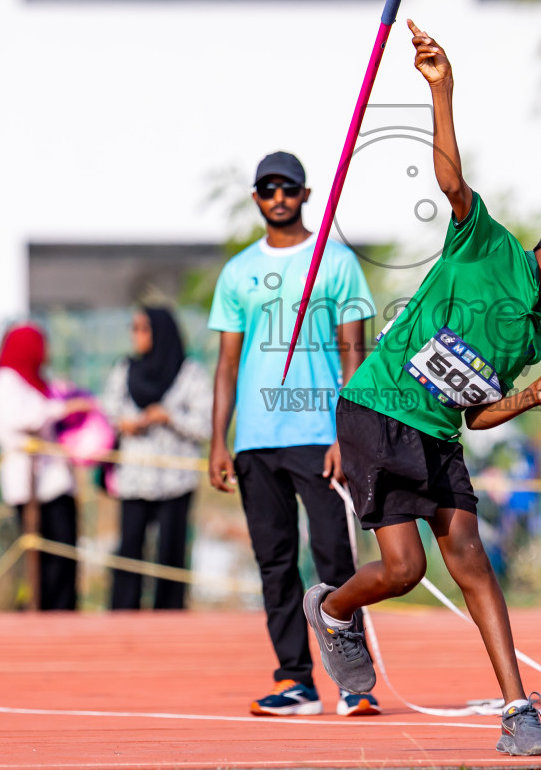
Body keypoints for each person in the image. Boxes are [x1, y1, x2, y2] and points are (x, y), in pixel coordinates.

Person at [304, 20, 541, 758]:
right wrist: (441, 87)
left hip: (438, 433)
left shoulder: (531, 333)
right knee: (404, 571)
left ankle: (517, 711)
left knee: (470, 558)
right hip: (376, 409)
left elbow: (478, 414)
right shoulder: (486, 243)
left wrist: (533, 397)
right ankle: (334, 609)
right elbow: (451, 180)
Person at [208, 149, 380, 717]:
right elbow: (227, 364)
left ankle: (352, 683)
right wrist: (218, 441)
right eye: (267, 189)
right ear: (256, 197)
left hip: (320, 434)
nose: (278, 197)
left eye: (288, 188)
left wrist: (346, 434)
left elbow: (356, 352)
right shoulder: (236, 272)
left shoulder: (335, 262)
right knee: (274, 561)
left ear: (306, 195)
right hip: (256, 440)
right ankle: (296, 681)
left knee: (334, 557)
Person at [102, 305, 212, 610]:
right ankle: (123, 613)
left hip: (175, 479)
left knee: (170, 551)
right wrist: (128, 422)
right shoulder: (125, 369)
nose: (135, 334)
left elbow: (206, 424)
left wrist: (168, 417)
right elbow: (109, 410)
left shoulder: (190, 374)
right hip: (135, 477)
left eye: (142, 328)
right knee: (129, 548)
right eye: (133, 327)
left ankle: (169, 615)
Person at [0, 323, 90, 611]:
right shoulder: (6, 381)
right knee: (46, 556)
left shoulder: (34, 381)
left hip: (53, 481)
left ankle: (63, 611)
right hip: (28, 482)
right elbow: (20, 418)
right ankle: (44, 611)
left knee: (64, 551)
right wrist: (60, 409)